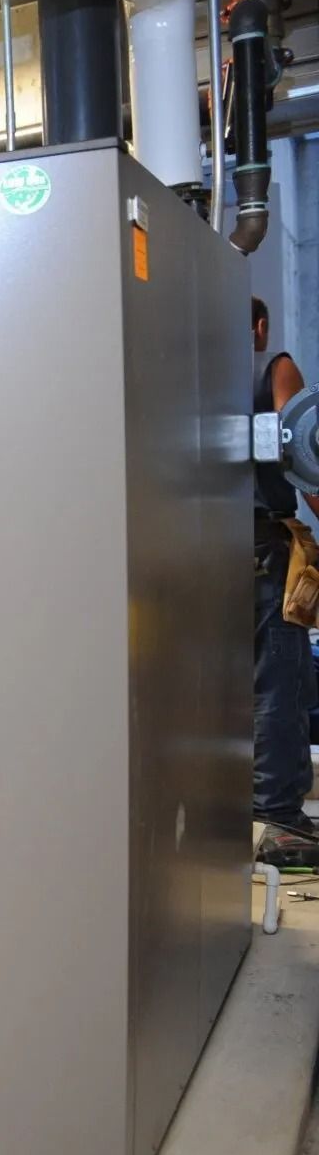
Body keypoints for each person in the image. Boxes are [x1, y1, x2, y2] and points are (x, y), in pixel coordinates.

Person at [253, 295, 313, 855]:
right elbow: (302, 451)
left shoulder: (180, 370)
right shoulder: (275, 367)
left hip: (187, 546)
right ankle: (278, 822)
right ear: (260, 327)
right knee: (280, 680)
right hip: (261, 548)